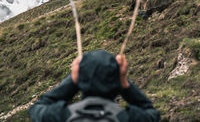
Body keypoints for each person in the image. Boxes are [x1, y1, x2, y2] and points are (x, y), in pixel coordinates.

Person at [29, 50, 160, 122]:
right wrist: (124, 81)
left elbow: (37, 108)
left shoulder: (62, 116)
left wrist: (74, 79)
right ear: (116, 81)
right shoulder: (128, 118)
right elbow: (151, 112)